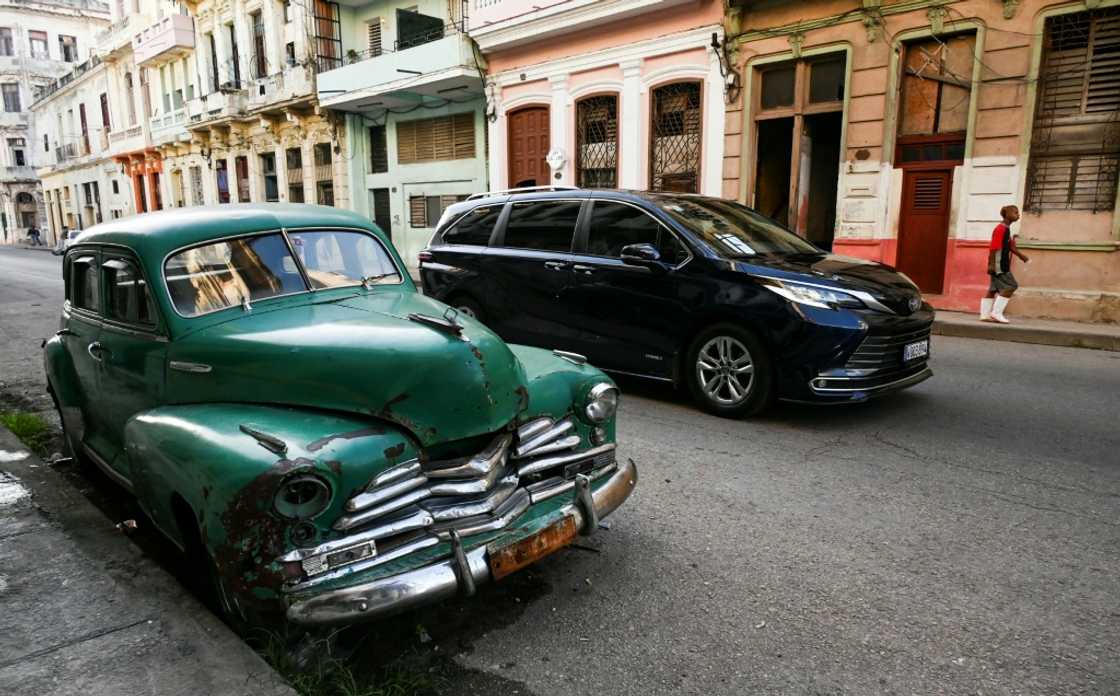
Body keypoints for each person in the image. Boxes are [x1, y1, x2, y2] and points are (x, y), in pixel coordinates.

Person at [980, 205, 1029, 324]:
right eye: (1015, 212)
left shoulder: (1007, 229)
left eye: (1018, 213)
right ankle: (996, 313)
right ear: (1007, 214)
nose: (1018, 215)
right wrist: (992, 264)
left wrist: (1021, 256)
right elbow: (994, 248)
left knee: (993, 289)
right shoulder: (1001, 229)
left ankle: (985, 315)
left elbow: (1011, 246)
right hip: (999, 263)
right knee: (1011, 286)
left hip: (999, 263)